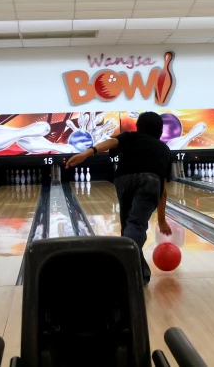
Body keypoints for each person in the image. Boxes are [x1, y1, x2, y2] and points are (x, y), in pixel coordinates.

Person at [66, 111, 173, 285]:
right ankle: (119, 258)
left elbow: (111, 142)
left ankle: (140, 274)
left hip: (124, 178)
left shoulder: (130, 137)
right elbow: (164, 189)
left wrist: (87, 153)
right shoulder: (165, 150)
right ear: (160, 131)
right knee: (136, 226)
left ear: (138, 127)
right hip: (151, 181)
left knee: (128, 228)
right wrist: (161, 219)